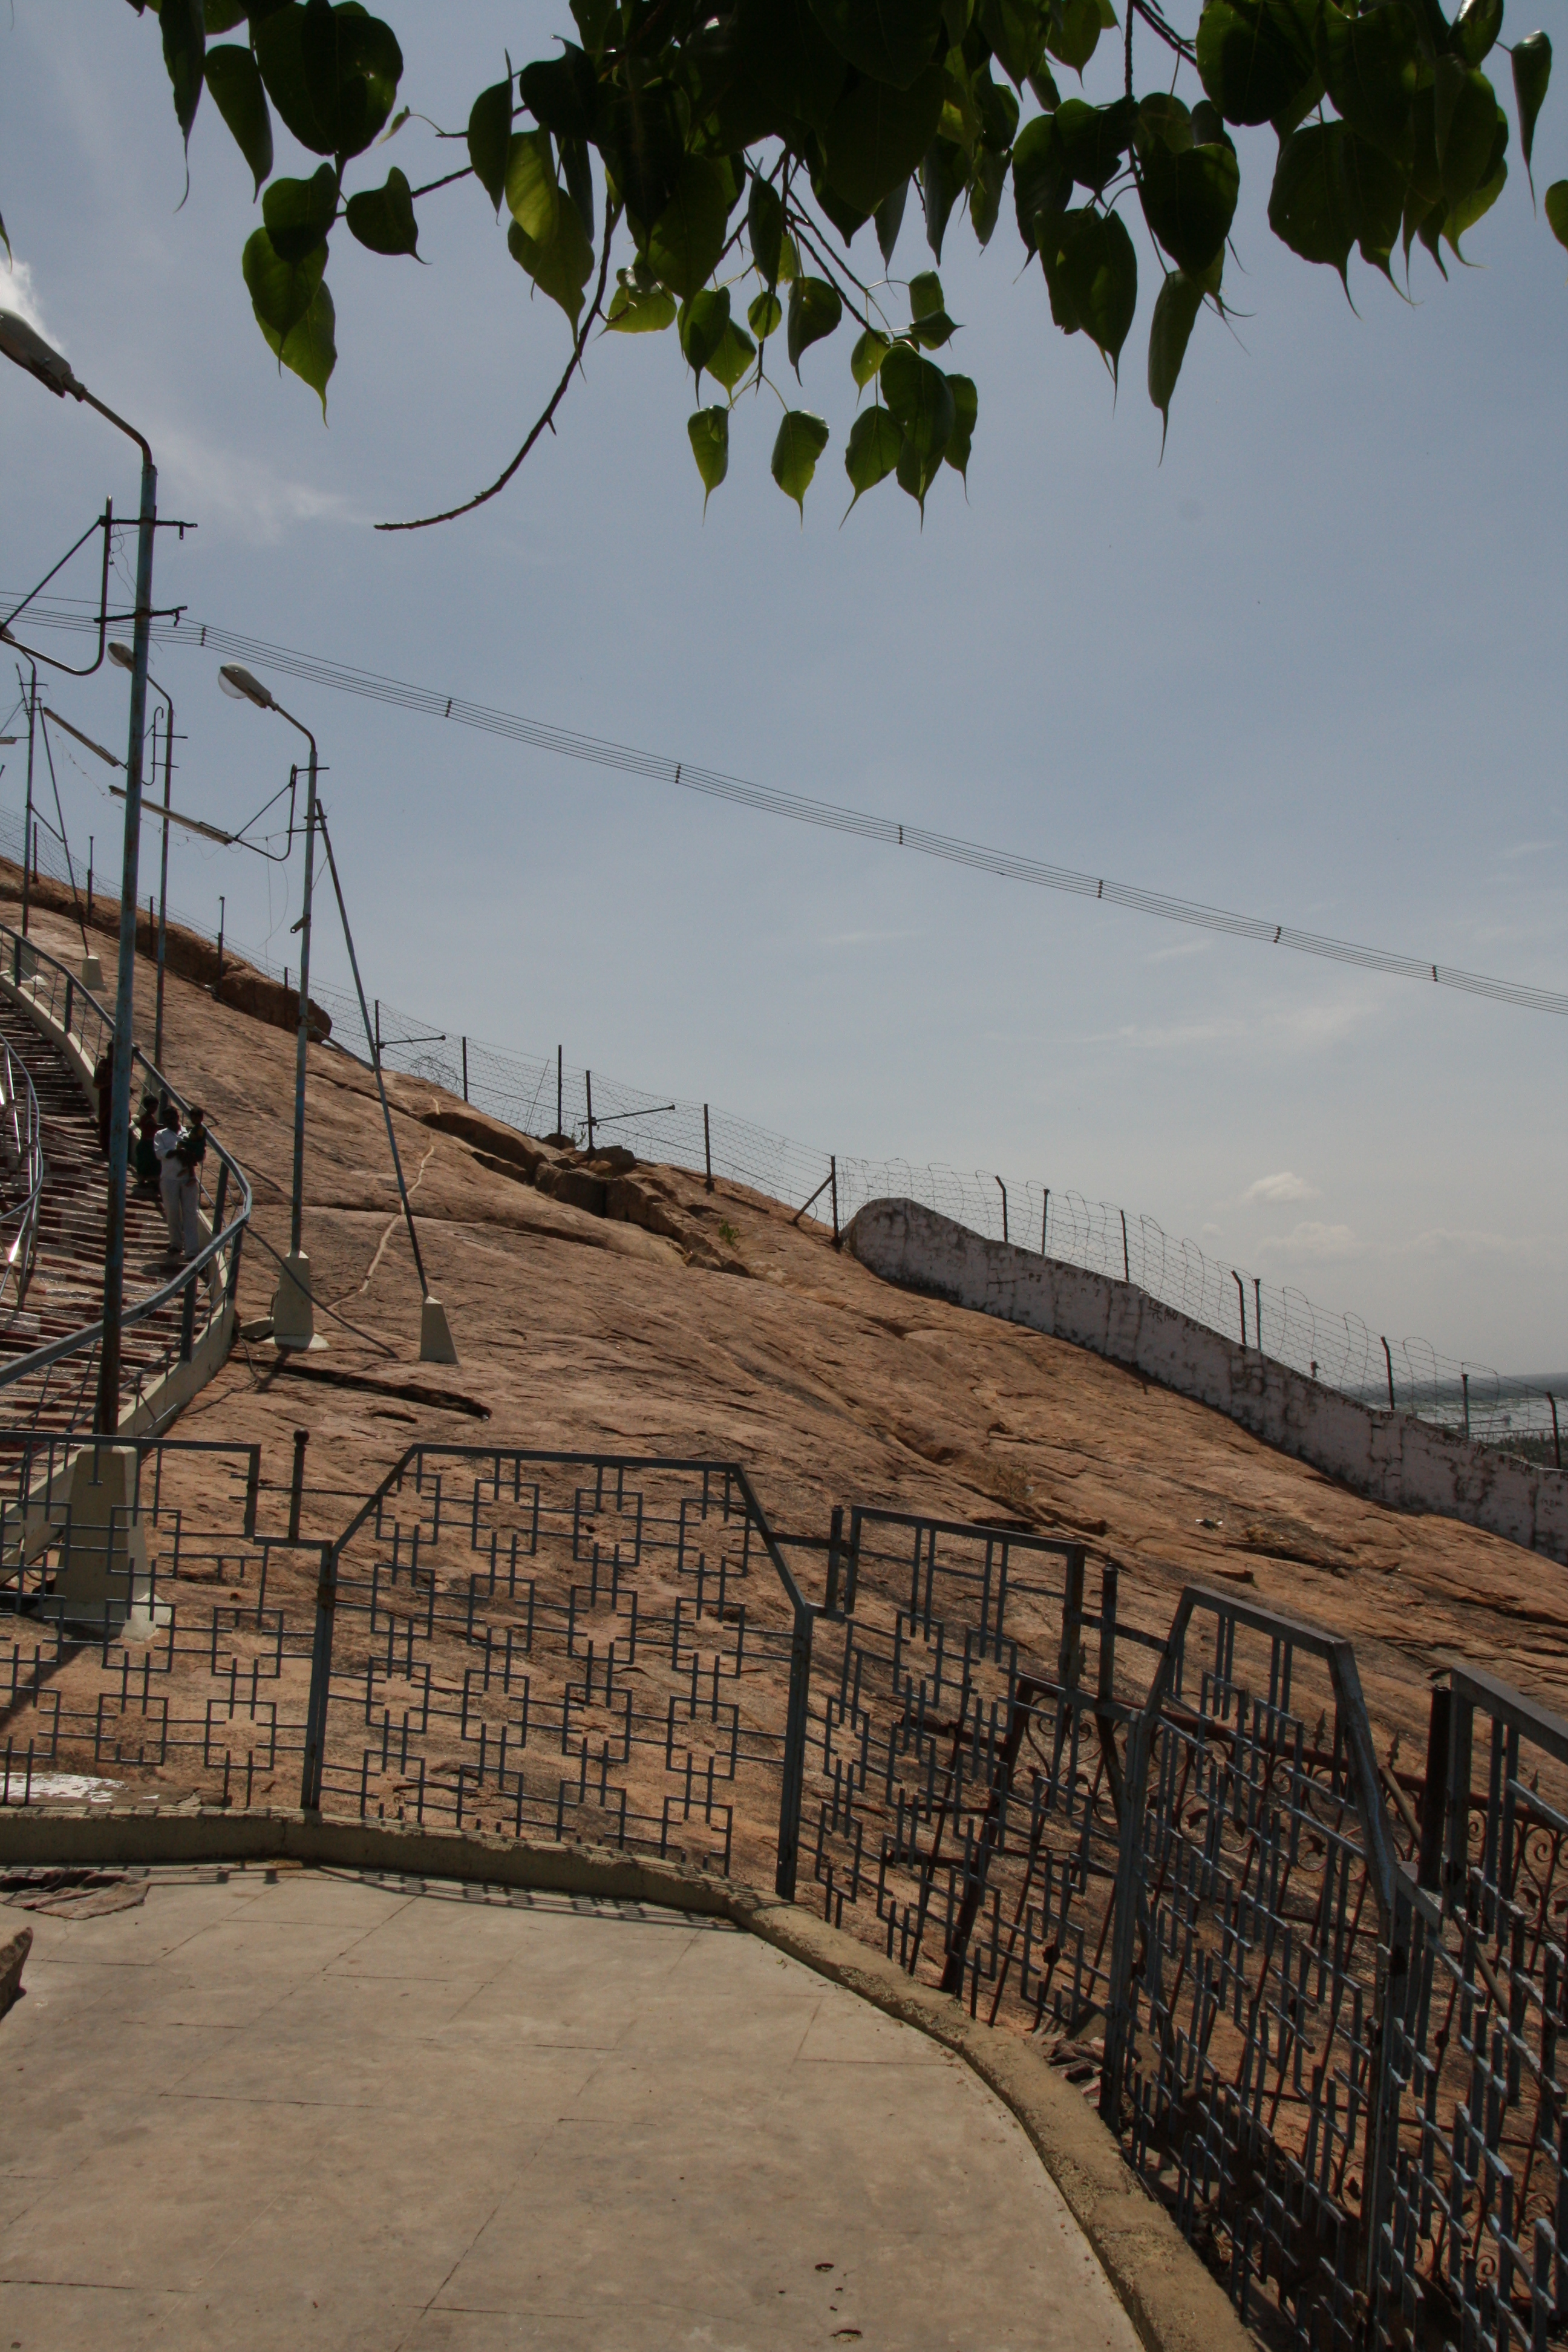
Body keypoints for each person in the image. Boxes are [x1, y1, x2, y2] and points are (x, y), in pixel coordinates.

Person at [174, 1105, 207, 1261]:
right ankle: (187, 1170)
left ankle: (190, 1173)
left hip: (197, 1149)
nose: (194, 1120)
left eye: (196, 1117)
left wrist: (187, 1139)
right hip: (194, 1147)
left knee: (183, 1149)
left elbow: (195, 1140)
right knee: (183, 1150)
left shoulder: (200, 1130)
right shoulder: (196, 1129)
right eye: (192, 1117)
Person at [154, 1103, 183, 1257]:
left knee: (190, 1213)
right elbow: (160, 1153)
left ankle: (191, 1247)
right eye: (166, 1120)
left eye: (172, 1119)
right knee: (172, 1212)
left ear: (177, 1118)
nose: (169, 1122)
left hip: (186, 1177)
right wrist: (176, 1152)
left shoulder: (187, 1133)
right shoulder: (161, 1135)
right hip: (169, 1178)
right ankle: (176, 1244)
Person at [133, 1092, 160, 1192]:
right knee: (146, 1162)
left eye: (156, 1107)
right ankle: (143, 1181)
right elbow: (153, 1127)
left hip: (151, 1143)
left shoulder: (150, 1117)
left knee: (153, 1163)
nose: (155, 1109)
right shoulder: (146, 1118)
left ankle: (152, 1181)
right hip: (146, 1144)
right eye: (153, 1107)